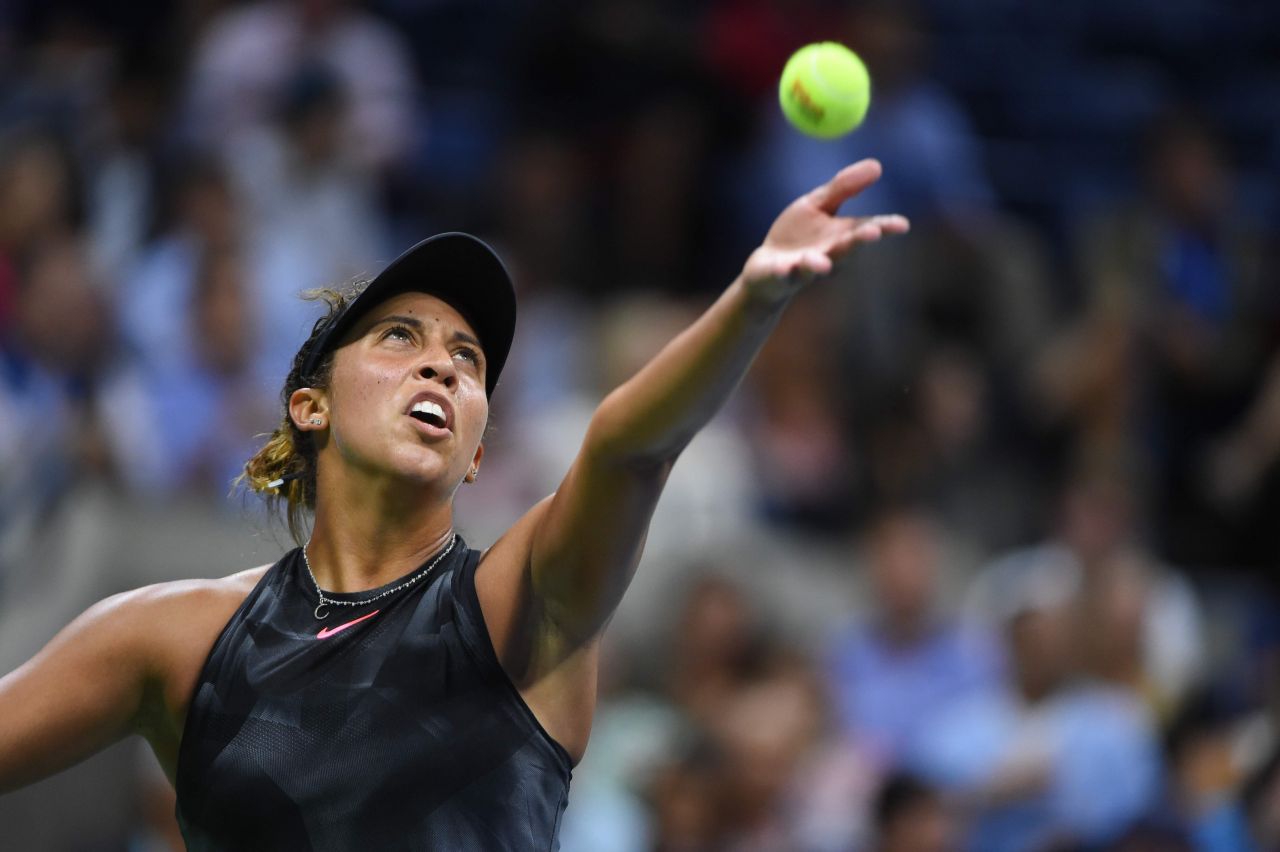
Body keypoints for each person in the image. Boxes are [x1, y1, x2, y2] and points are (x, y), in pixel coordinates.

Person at [0, 160, 908, 847]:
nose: (441, 363)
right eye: (400, 337)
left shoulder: (522, 609)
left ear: (476, 453)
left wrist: (751, 302)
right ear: (308, 406)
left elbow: (630, 448)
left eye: (468, 359)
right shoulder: (171, 637)